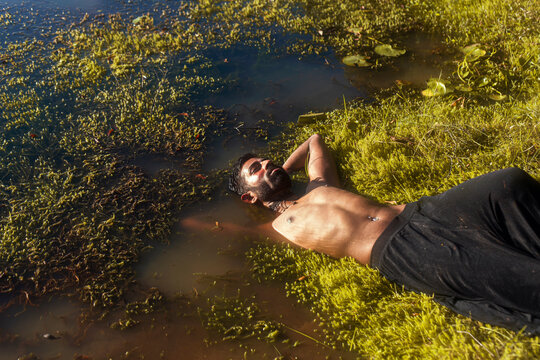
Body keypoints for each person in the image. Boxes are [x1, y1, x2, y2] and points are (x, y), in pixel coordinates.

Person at [225, 134, 540, 334]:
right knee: (522, 277)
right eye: (257, 170)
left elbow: (314, 141)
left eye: (267, 161)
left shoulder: (318, 185)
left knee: (508, 184)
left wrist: (282, 168)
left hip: (422, 211)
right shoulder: (277, 228)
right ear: (249, 198)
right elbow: (221, 230)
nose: (267, 165)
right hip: (400, 250)